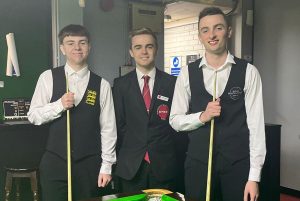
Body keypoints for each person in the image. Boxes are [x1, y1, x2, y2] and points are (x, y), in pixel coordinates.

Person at [169, 7, 266, 201]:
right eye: (205, 30)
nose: (211, 35)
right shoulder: (187, 73)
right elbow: (175, 120)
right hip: (198, 165)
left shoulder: (249, 72)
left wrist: (254, 177)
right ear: (199, 35)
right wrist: (202, 117)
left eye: (218, 28)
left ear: (228, 31)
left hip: (237, 166)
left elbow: (256, 127)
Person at [28, 24, 117, 201]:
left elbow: (108, 129)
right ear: (62, 48)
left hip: (89, 165)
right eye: (70, 43)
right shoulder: (48, 77)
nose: (77, 47)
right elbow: (34, 116)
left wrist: (106, 166)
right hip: (55, 163)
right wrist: (59, 105)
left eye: (82, 42)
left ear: (89, 47)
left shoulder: (102, 85)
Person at [113, 27, 178, 192]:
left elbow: (177, 127)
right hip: (131, 167)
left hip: (165, 167)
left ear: (156, 49)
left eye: (149, 46)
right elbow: (118, 126)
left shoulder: (172, 83)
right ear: (131, 52)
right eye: (138, 47)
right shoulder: (120, 85)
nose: (144, 51)